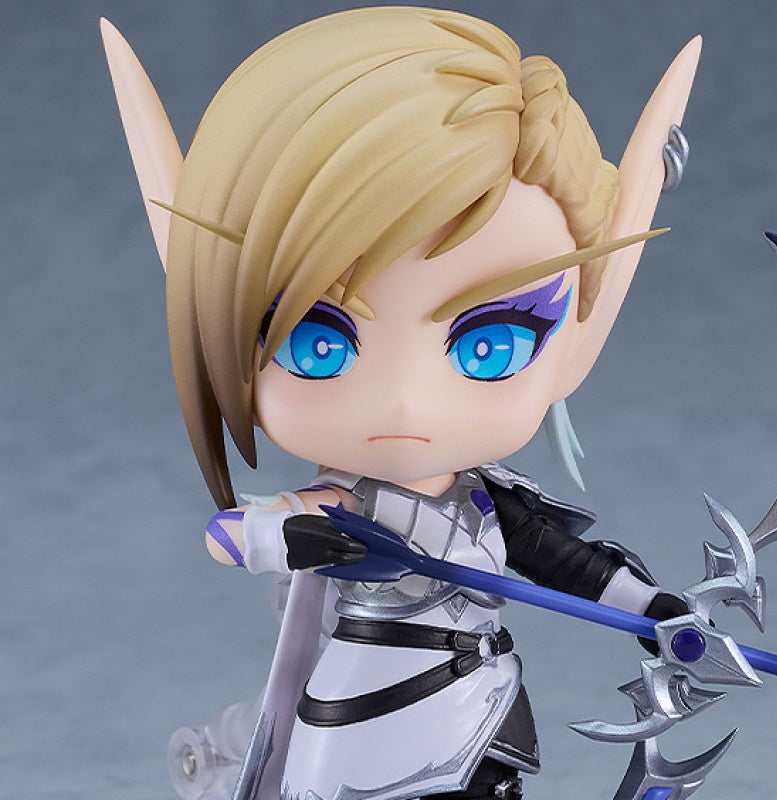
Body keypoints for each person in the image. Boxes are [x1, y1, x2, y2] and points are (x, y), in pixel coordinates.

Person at [102, 7, 700, 798]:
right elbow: (234, 535)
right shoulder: (343, 506)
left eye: (491, 345)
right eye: (317, 343)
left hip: (481, 708)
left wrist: (658, 611)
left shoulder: (491, 507)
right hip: (362, 717)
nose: (406, 400)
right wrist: (293, 534)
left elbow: (568, 566)